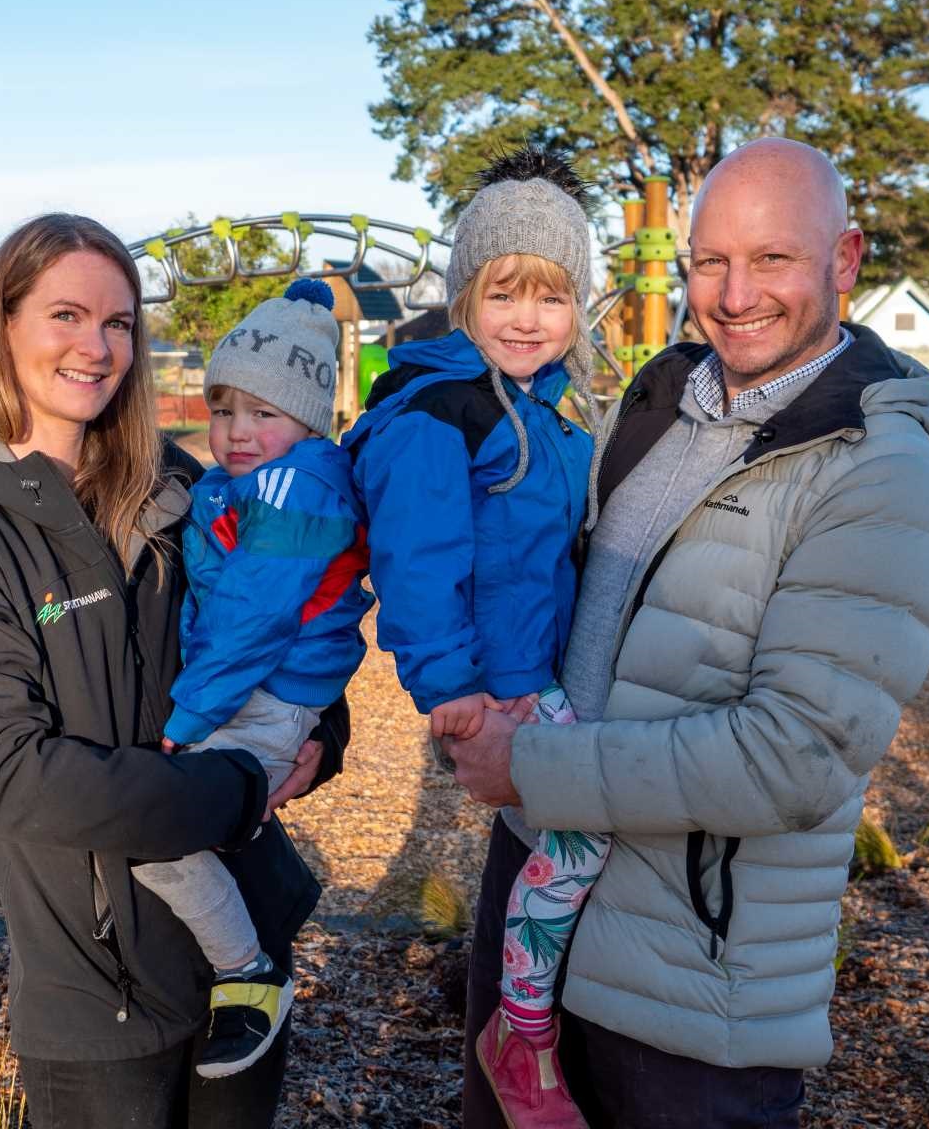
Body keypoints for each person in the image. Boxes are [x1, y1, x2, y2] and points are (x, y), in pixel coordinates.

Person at [445, 139, 929, 1129]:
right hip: (536, 910)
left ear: (845, 261)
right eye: (710, 262)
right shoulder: (657, 404)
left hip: (690, 988)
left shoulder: (882, 475)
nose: (734, 294)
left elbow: (791, 760)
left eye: (771, 259)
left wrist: (536, 767)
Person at [0, 214, 349, 1129]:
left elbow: (290, 605)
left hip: (244, 950)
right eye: (66, 315)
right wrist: (231, 791)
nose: (96, 348)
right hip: (104, 995)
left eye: (119, 323)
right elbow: (6, 777)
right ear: (1, 324)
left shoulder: (174, 482)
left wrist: (320, 739)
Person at [343, 148, 608, 1129]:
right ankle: (520, 1030)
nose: (529, 317)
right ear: (464, 299)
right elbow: (418, 559)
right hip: (494, 683)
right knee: (586, 836)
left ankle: (532, 1019)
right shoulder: (440, 412)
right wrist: (447, 683)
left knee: (579, 838)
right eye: (505, 293)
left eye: (552, 297)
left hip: (533, 667)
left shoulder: (543, 407)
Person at [144, 279, 373, 1079]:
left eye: (263, 414)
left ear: (310, 418)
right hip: (264, 696)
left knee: (155, 828)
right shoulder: (253, 482)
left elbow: (253, 619)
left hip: (263, 700)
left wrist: (185, 718)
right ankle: (264, 920)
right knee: (187, 828)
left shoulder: (296, 486)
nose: (237, 432)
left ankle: (250, 971)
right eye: (223, 409)